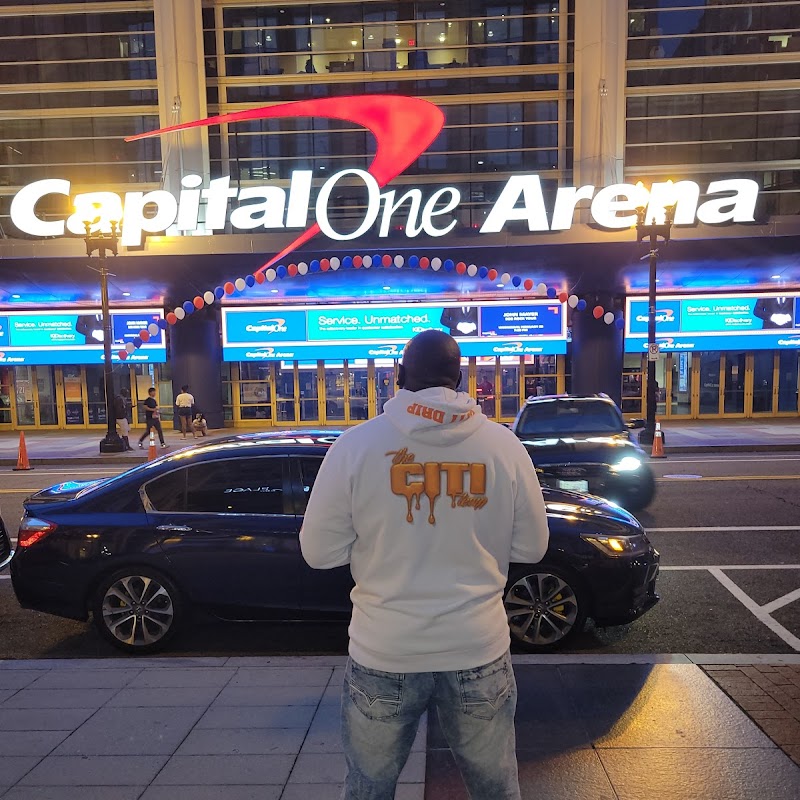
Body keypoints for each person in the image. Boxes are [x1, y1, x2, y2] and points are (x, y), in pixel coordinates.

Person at [300, 329, 549, 800]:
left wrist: (379, 545)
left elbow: (318, 553)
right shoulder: (503, 446)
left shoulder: (355, 447)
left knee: (368, 790)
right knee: (496, 790)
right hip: (477, 646)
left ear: (398, 378)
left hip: (384, 650)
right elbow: (533, 548)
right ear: (459, 379)